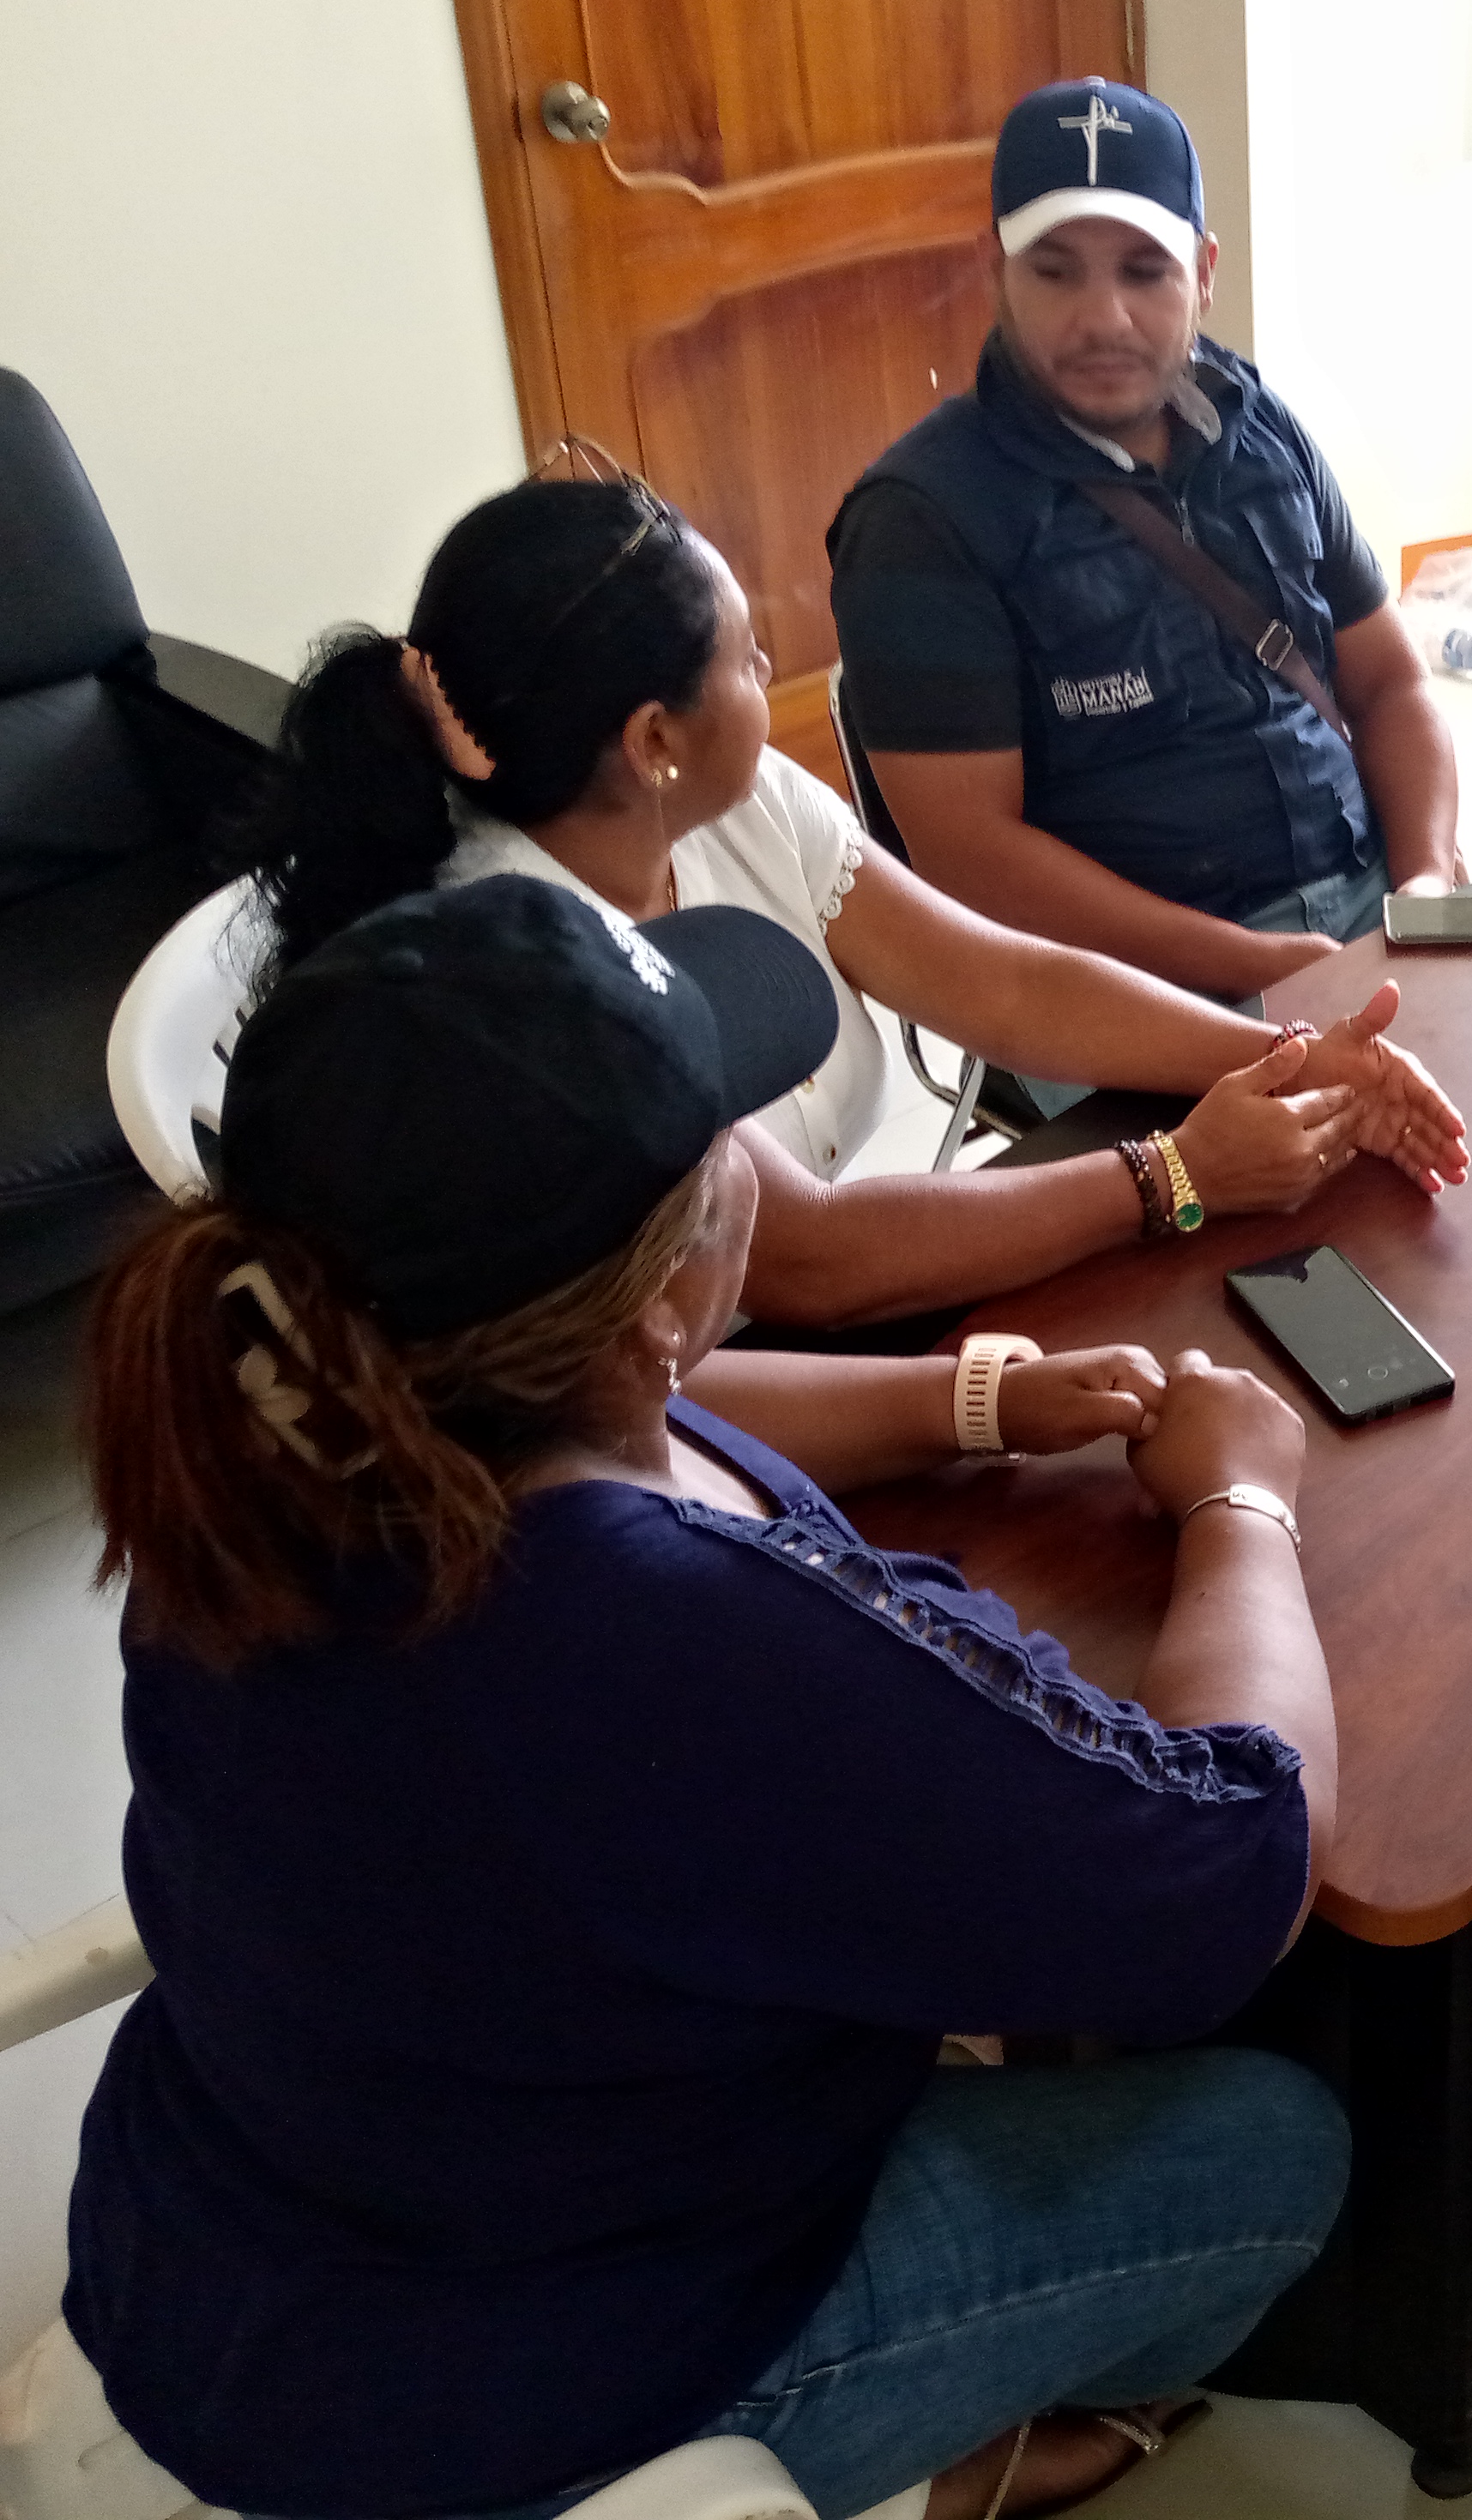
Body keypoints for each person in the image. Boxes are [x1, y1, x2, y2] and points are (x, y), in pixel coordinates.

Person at [67, 875, 1344, 2520]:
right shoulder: (657, 1643)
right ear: (669, 1297)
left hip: (231, 2233)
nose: (754, 1154)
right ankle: (940, 2462)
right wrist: (1244, 1500)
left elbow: (675, 1418)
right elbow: (1241, 1869)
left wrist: (977, 1400)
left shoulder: (265, 1434)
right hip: (489, 2408)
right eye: (727, 1141)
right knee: (1270, 2151)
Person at [244, 472, 1467, 1334]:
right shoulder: (519, 969)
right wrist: (1175, 1175)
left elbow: (997, 983)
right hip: (703, 1393)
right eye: (742, 656)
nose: (769, 668)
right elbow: (807, 1266)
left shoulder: (732, 799)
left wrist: (1286, 1055)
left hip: (844, 1301)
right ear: (654, 739)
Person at [828, 78, 1466, 998]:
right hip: (1125, 990)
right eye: (1055, 271)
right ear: (993, 268)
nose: (1104, 319)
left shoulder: (1262, 428)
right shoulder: (920, 520)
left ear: (1203, 272)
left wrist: (1428, 886)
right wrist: (1255, 967)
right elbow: (971, 862)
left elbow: (1393, 682)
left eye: (1143, 270)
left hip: (1370, 914)